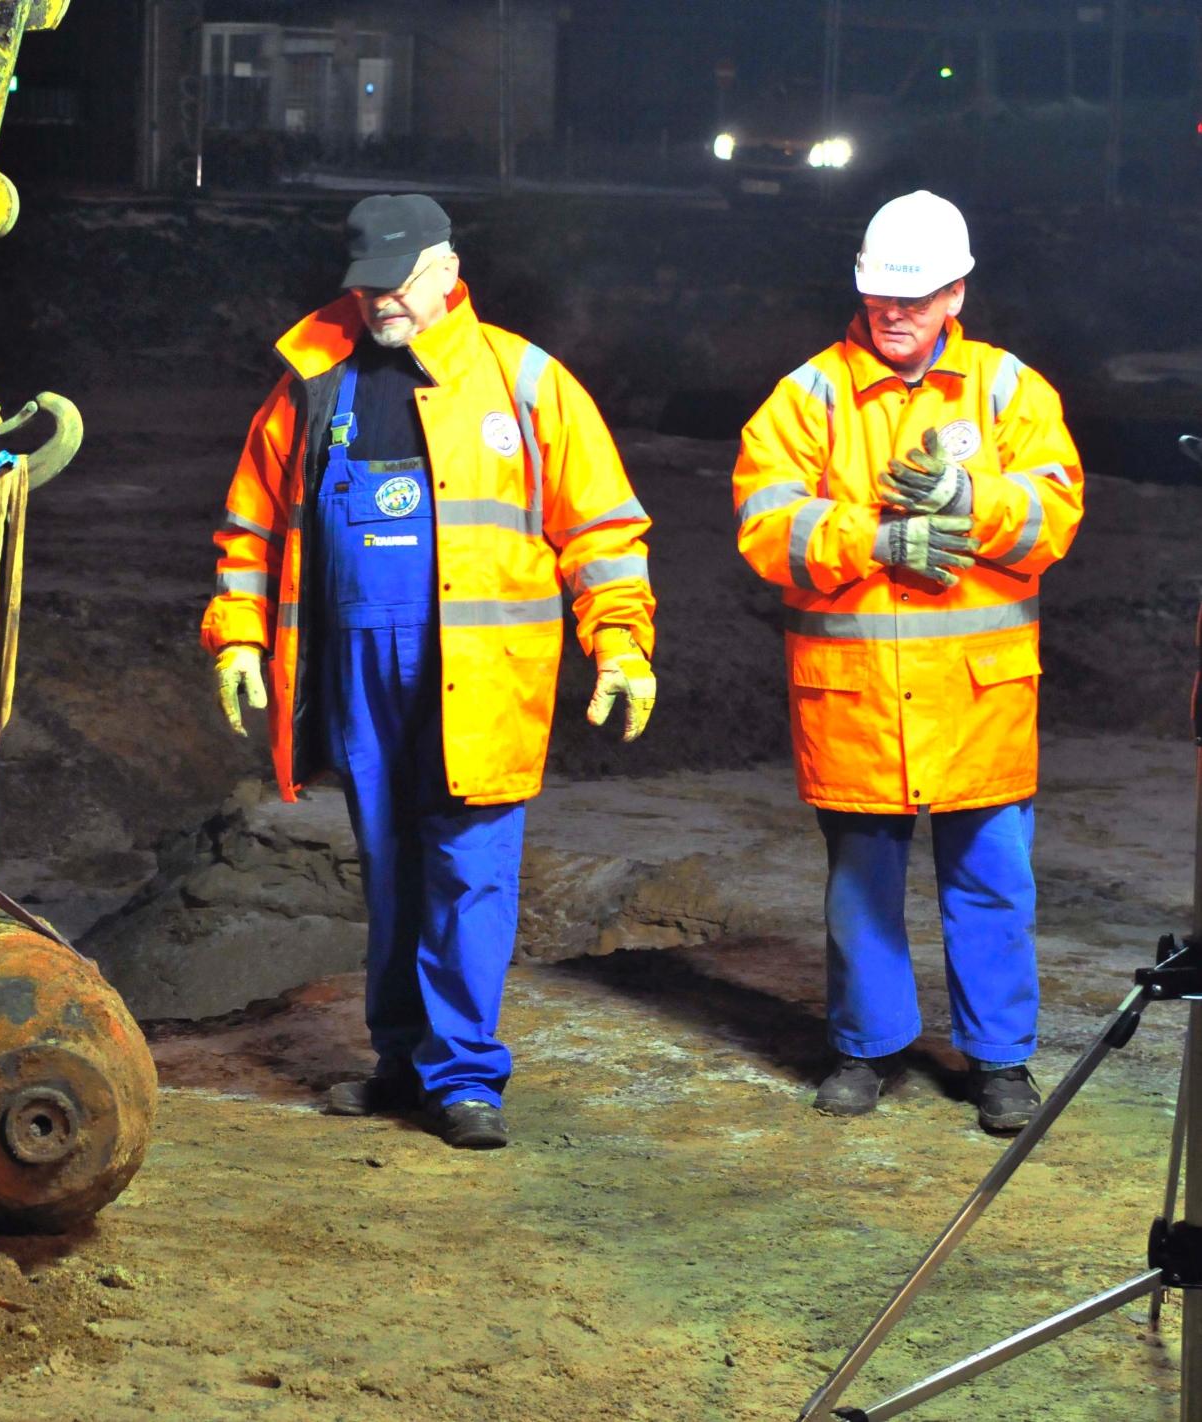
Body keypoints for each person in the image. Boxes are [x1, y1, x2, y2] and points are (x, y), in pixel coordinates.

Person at [200, 193, 657, 1150]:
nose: (378, 303)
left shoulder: (523, 381)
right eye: (364, 284)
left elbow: (602, 529)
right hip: (357, 670)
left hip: (479, 667)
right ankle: (402, 1061)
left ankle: (463, 1079)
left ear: (447, 270)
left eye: (397, 282)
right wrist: (239, 635)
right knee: (391, 874)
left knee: (469, 870)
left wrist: (618, 640)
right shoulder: (313, 383)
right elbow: (251, 526)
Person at [732, 190, 1084, 1134]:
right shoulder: (808, 396)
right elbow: (765, 525)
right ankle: (865, 1049)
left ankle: (1000, 1062)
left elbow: (1055, 517)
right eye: (881, 296)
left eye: (916, 297)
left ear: (954, 293)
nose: (894, 313)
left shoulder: (1008, 389)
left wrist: (972, 497)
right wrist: (873, 541)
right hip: (857, 700)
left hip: (976, 703)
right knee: (861, 896)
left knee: (992, 889)